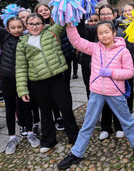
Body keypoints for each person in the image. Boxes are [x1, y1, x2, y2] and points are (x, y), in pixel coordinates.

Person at [57, 21, 134, 170]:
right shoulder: (95, 48)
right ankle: (76, 153)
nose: (104, 35)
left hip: (115, 93)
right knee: (88, 124)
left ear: (113, 33)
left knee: (127, 121)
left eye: (106, 32)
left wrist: (111, 73)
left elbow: (129, 72)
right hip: (97, 93)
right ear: (97, 36)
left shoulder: (123, 51)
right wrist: (70, 25)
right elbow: (76, 41)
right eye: (100, 33)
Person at [16, 13, 79, 153]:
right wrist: (22, 90)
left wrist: (65, 4)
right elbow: (20, 68)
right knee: (45, 111)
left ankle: (74, 137)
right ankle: (48, 140)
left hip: (56, 78)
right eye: (31, 24)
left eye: (38, 23)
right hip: (37, 82)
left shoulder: (51, 32)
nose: (34, 26)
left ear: (43, 24)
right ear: (26, 26)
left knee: (66, 107)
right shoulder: (22, 44)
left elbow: (62, 19)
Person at [77, 4, 124, 140]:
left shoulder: (119, 28)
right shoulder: (94, 30)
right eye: (102, 14)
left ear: (113, 14)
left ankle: (119, 125)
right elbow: (81, 33)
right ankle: (105, 126)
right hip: (94, 68)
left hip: (113, 70)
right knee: (100, 97)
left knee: (116, 98)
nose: (105, 16)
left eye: (108, 13)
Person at [1, 16, 40, 154]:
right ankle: (12, 137)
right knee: (10, 107)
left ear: (23, 27)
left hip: (24, 79)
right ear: (7, 29)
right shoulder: (4, 38)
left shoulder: (27, 38)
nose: (16, 30)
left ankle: (30, 133)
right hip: (7, 78)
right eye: (13, 27)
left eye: (19, 27)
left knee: (26, 106)